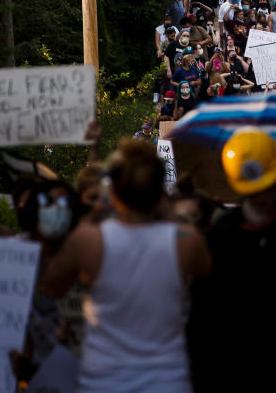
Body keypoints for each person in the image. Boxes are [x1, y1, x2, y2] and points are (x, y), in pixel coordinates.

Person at [42, 139, 211, 392]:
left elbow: (52, 287)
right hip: (167, 380)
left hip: (102, 381)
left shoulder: (88, 239)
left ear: (115, 191)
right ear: (159, 191)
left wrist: (89, 217)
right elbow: (206, 273)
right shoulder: (186, 241)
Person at [187, 129, 276, 392]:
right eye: (253, 190)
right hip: (237, 370)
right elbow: (203, 314)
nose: (260, 196)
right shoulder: (221, 236)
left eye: (266, 187)